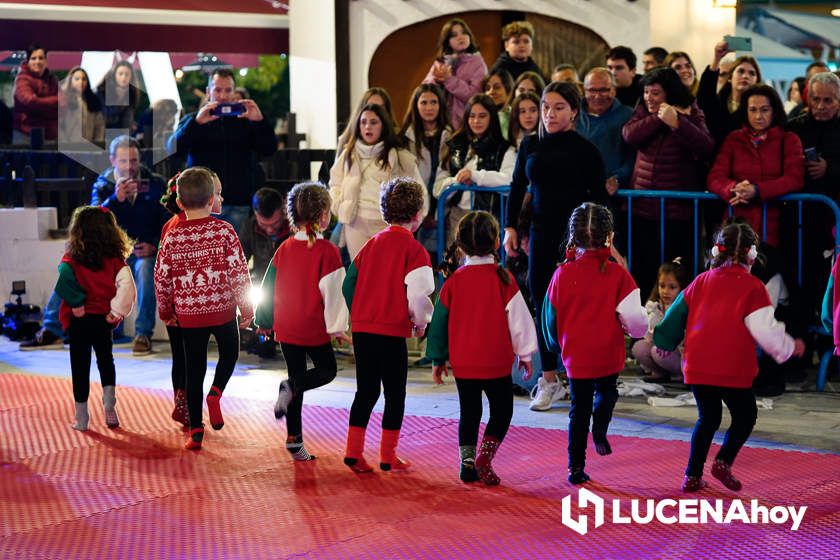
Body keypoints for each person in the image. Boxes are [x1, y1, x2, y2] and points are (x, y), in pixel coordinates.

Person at [654, 220, 804, 492]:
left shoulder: (699, 282)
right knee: (745, 416)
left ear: (715, 252)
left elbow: (674, 317)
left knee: (707, 419)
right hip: (733, 369)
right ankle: (723, 461)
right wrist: (790, 347)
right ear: (752, 255)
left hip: (698, 367)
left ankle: (692, 474)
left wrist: (665, 340)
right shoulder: (754, 287)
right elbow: (765, 331)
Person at [503, 82, 609, 412]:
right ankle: (548, 380)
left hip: (577, 239)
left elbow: (600, 198)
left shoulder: (585, 149)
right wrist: (509, 227)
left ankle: (583, 377)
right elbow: (518, 184)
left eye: (559, 107)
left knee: (577, 308)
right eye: (546, 107)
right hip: (539, 232)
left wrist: (603, 238)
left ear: (574, 111)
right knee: (540, 302)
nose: (550, 114)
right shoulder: (530, 144)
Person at [426, 211, 537, 484]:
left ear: (460, 246)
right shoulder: (504, 280)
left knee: (469, 411)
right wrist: (524, 354)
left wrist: (438, 358)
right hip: (496, 362)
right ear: (497, 243)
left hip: (464, 364)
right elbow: (520, 321)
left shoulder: (452, 283)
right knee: (502, 411)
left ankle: (466, 462)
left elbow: (438, 324)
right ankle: (485, 456)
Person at [543, 202, 648, 484]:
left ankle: (575, 467)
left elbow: (549, 320)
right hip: (608, 355)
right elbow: (636, 322)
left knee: (579, 411)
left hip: (576, 357)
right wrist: (638, 327)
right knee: (608, 395)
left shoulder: (561, 275)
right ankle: (600, 430)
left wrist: (555, 346)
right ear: (610, 237)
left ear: (572, 237)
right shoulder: (619, 276)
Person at [154, 167, 254, 450]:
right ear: (212, 199)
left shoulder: (172, 236)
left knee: (193, 369)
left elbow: (161, 277)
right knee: (230, 354)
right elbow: (238, 272)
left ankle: (196, 429)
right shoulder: (224, 230)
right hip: (222, 311)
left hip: (189, 315)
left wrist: (166, 310)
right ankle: (216, 392)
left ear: (181, 203)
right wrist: (246, 308)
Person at [341, 178, 435, 473]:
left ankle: (353, 451)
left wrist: (359, 313)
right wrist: (420, 324)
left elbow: (348, 284)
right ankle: (387, 455)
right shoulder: (415, 250)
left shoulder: (370, 245)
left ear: (384, 213)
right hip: (392, 332)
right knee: (395, 394)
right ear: (418, 214)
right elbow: (419, 294)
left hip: (364, 329)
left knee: (365, 391)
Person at [255, 182, 349, 461]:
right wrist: (338, 328)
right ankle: (290, 388)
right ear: (323, 215)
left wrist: (264, 320)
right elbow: (334, 292)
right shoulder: (328, 251)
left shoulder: (284, 248)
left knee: (296, 374)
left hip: (286, 327)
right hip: (312, 327)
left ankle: (294, 440)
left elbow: (267, 285)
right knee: (325, 370)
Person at [622, 67, 715, 295]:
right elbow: (629, 134)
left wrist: (678, 123)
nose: (649, 98)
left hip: (677, 212)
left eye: (655, 93)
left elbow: (706, 146)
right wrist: (659, 118)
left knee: (677, 276)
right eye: (646, 92)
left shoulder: (690, 110)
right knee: (642, 272)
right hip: (642, 209)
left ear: (669, 93)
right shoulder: (644, 110)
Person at [54, 206, 136, 431]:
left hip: (80, 320)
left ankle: (82, 418)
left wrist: (77, 301)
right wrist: (117, 311)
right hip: (103, 319)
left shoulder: (72, 258)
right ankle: (109, 404)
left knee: (79, 366)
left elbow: (63, 278)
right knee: (106, 360)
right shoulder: (115, 259)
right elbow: (127, 285)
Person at [168, 68, 277, 235]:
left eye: (228, 90)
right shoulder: (194, 119)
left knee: (234, 257)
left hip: (238, 202)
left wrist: (259, 121)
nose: (223, 96)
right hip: (201, 204)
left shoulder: (245, 121)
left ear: (234, 91)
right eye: (217, 90)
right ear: (208, 91)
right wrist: (196, 123)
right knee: (204, 258)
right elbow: (172, 150)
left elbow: (269, 149)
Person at [92, 135, 169, 355]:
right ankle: (53, 328)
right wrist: (115, 200)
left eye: (134, 161)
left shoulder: (155, 183)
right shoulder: (103, 185)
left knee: (146, 268)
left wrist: (155, 245)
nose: (129, 167)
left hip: (146, 251)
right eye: (124, 161)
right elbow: (93, 221)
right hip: (115, 253)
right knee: (72, 264)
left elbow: (168, 220)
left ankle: (143, 334)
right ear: (112, 160)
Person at [707, 84, 804, 248]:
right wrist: (734, 188)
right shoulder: (734, 138)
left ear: (774, 111)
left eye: (764, 109)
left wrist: (757, 190)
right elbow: (715, 177)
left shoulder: (789, 139)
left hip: (775, 223)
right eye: (752, 110)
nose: (758, 116)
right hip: (736, 224)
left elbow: (794, 178)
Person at [329, 103, 423, 259]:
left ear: (383, 125)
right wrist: (339, 207)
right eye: (363, 122)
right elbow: (334, 184)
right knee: (360, 275)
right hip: (355, 224)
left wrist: (410, 224)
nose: (368, 127)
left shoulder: (400, 156)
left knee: (386, 273)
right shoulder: (348, 154)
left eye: (374, 122)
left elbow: (419, 192)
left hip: (387, 225)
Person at [787, 72, 840, 313]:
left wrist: (829, 168)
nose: (821, 106)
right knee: (800, 272)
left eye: (828, 101)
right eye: (816, 99)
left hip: (834, 213)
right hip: (799, 216)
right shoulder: (795, 126)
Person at [433, 94, 515, 243]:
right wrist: (457, 181)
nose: (476, 121)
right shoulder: (455, 145)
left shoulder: (505, 149)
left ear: (492, 117)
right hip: (457, 216)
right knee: (456, 265)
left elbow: (509, 180)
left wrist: (475, 176)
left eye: (482, 116)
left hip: (490, 219)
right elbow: (437, 187)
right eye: (472, 116)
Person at [399, 83, 452, 257]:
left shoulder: (451, 137)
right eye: (424, 102)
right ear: (416, 105)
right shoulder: (404, 138)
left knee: (439, 261)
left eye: (433, 102)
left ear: (440, 105)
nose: (429, 107)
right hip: (412, 209)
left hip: (443, 207)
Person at [157, 172, 189, 427]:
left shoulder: (169, 225)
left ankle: (180, 399)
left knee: (179, 354)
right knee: (190, 355)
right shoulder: (184, 225)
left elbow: (161, 271)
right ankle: (186, 401)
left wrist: (165, 304)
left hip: (174, 301)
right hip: (187, 301)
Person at [576, 67, 635, 196]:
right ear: (584, 91)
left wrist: (618, 178)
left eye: (604, 90)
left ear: (614, 90)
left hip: (613, 193)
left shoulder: (628, 116)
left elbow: (633, 156)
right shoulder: (573, 115)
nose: (597, 96)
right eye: (592, 90)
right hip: (576, 191)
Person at [630, 258, 690, 382]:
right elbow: (648, 333)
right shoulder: (654, 306)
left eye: (672, 287)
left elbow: (678, 337)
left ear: (681, 288)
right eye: (662, 286)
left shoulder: (683, 308)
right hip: (659, 348)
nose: (665, 291)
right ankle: (660, 372)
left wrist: (669, 314)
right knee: (638, 347)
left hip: (678, 352)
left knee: (658, 351)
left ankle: (678, 374)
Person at [423, 18, 487, 130]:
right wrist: (436, 81)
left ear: (470, 36)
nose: (460, 37)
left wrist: (449, 80)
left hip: (466, 124)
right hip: (440, 124)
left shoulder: (478, 62)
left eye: (464, 33)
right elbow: (424, 90)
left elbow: (475, 96)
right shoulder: (440, 62)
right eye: (454, 35)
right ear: (447, 40)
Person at [697, 41, 761, 146]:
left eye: (752, 73)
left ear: (756, 81)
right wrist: (717, 58)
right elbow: (704, 96)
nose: (745, 76)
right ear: (730, 77)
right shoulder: (718, 102)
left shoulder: (759, 110)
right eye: (740, 71)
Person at [240, 187, 291, 282]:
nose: (270, 230)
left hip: (288, 282)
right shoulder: (249, 226)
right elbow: (240, 260)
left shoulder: (295, 229)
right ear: (255, 214)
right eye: (263, 224)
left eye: (275, 223)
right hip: (261, 283)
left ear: (284, 210)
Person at [12, 44, 58, 144]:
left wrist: (40, 103)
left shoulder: (52, 80)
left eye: (41, 58)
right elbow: (29, 101)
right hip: (25, 134)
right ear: (28, 61)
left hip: (49, 135)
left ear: (46, 61)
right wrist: (55, 101)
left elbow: (64, 103)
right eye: (33, 58)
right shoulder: (22, 79)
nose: (37, 61)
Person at [58, 66, 104, 146]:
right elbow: (59, 125)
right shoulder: (63, 100)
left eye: (84, 79)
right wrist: (64, 143)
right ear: (70, 81)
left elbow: (99, 125)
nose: (81, 82)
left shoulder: (93, 101)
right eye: (77, 79)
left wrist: (98, 143)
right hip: (68, 146)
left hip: (89, 146)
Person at [95, 60, 140, 131]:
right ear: (114, 75)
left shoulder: (132, 93)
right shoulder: (102, 91)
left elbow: (127, 119)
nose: (124, 77)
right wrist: (120, 102)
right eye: (120, 74)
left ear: (131, 77)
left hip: (121, 136)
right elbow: (105, 118)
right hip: (102, 133)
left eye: (127, 74)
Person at [483, 69, 514, 138]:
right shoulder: (482, 117)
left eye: (497, 87)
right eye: (487, 88)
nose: (491, 92)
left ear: (508, 90)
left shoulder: (515, 116)